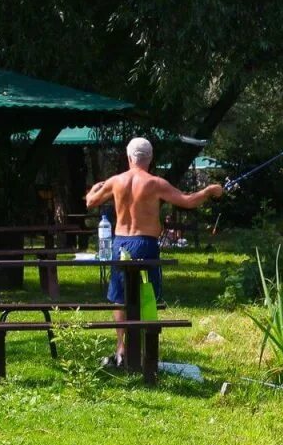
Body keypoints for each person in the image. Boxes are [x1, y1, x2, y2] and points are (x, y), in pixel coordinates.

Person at [85, 137, 224, 367]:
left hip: (120, 243)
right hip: (145, 243)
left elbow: (90, 201)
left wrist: (96, 186)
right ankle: (142, 351)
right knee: (147, 296)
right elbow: (187, 201)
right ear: (150, 159)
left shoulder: (116, 181)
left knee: (119, 298)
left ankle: (121, 348)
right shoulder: (156, 183)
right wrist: (209, 190)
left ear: (129, 157)